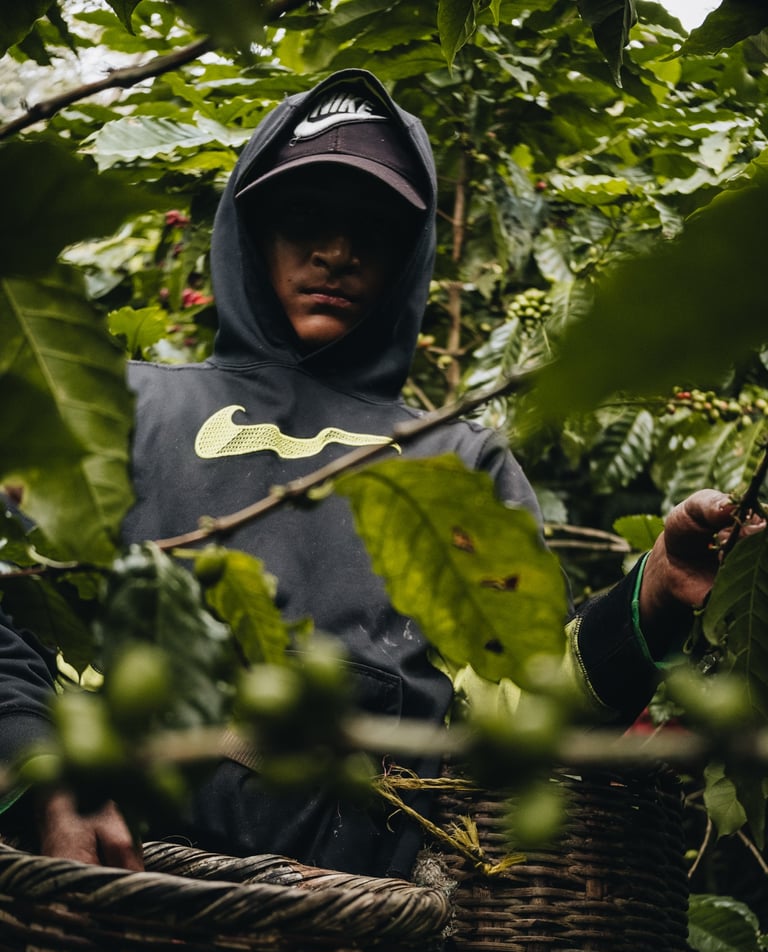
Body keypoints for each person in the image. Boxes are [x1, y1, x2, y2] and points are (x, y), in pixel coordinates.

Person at [1, 69, 750, 876]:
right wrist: (48, 776)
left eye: (373, 228)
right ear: (251, 230)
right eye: (304, 219)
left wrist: (655, 592)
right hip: (101, 897)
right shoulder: (119, 408)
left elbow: (520, 700)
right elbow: (20, 612)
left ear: (409, 254)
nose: (336, 253)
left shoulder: (459, 462)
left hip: (352, 927)